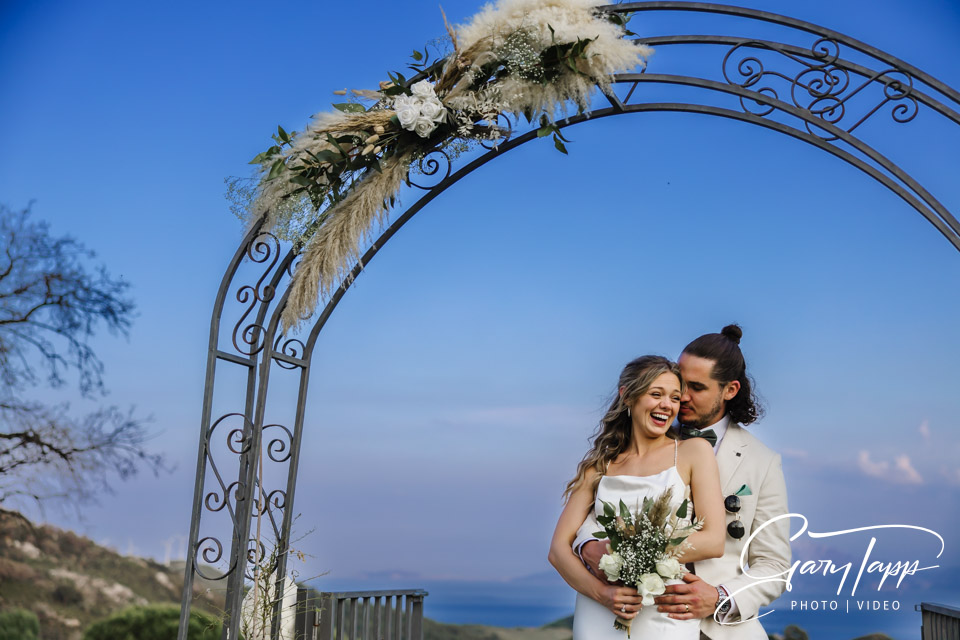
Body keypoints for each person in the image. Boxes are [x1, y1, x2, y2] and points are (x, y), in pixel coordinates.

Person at [574, 325, 791, 640]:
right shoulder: (640, 433)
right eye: (679, 383)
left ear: (730, 390)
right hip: (636, 621)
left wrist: (719, 597)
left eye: (697, 387)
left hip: (720, 631)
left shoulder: (762, 462)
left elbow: (774, 566)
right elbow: (603, 502)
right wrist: (588, 546)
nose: (682, 397)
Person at [549, 355, 725, 640]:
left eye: (675, 398)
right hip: (599, 612)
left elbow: (714, 541)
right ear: (628, 396)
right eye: (656, 394)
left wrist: (631, 556)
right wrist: (603, 593)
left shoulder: (694, 452)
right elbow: (558, 550)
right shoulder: (600, 464)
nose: (667, 405)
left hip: (664, 606)